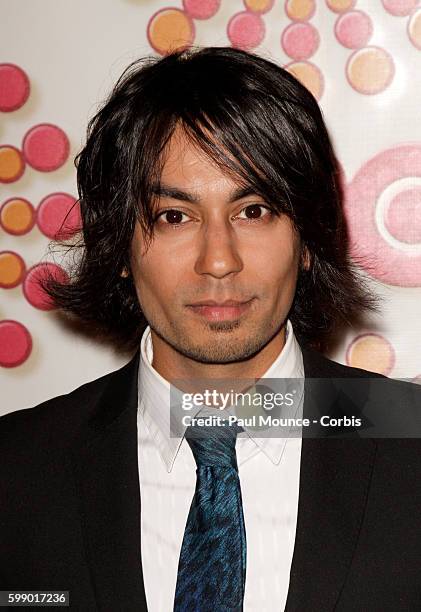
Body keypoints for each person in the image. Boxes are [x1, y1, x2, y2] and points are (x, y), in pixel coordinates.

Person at [1, 47, 421, 612]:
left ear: (307, 242)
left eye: (254, 211)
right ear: (120, 245)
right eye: (174, 216)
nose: (218, 260)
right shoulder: (17, 470)